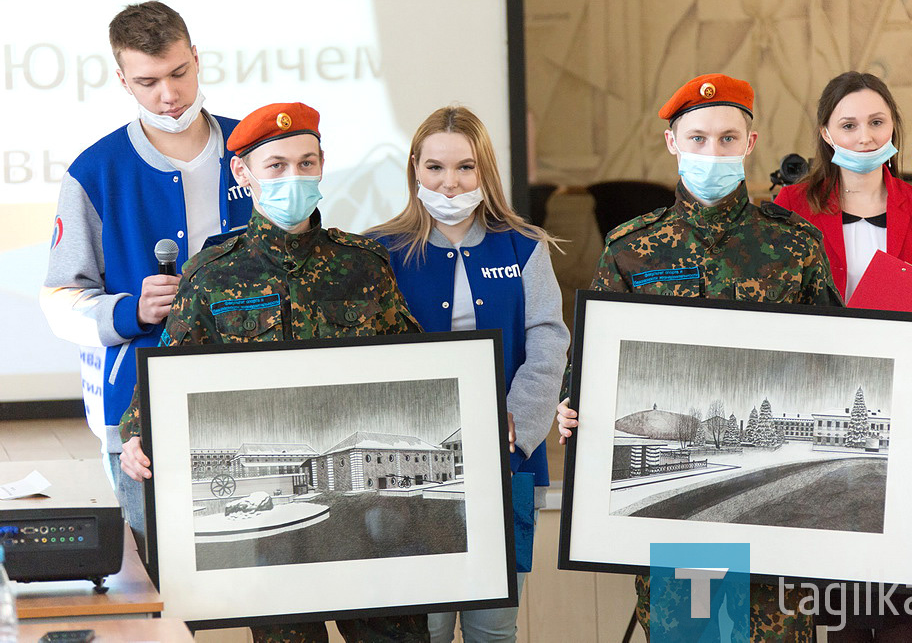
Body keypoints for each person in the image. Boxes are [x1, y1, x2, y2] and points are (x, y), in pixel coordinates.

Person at [118, 102, 428, 643]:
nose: (295, 177)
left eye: (307, 163)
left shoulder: (364, 265)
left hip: (372, 533)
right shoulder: (212, 276)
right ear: (243, 173)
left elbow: (421, 369)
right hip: (279, 540)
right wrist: (135, 437)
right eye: (277, 165)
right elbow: (160, 384)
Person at [555, 73, 843, 642]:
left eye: (728, 139)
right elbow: (589, 362)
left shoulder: (794, 246)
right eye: (698, 138)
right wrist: (574, 404)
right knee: (691, 632)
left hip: (775, 527)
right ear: (672, 144)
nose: (713, 151)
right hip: (678, 529)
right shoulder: (632, 249)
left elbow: (837, 358)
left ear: (750, 144)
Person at [39, 1, 253, 539]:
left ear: (197, 58)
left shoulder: (254, 153)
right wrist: (130, 310)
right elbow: (60, 300)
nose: (169, 94)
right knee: (158, 570)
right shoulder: (95, 171)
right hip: (139, 412)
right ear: (122, 80)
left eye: (179, 73)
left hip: (251, 392)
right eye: (148, 81)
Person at [367, 106, 569, 643]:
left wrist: (517, 421)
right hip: (413, 471)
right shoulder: (377, 251)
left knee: (494, 627)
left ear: (486, 172)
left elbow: (548, 340)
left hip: (501, 461)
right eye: (435, 168)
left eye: (464, 168)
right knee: (423, 627)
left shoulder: (524, 246)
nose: (449, 183)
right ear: (414, 170)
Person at [774, 71, 912, 642]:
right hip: (827, 403)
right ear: (825, 133)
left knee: (901, 603)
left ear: (893, 126)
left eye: (876, 122)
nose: (863, 136)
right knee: (843, 607)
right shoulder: (790, 205)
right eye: (848, 125)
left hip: (903, 405)